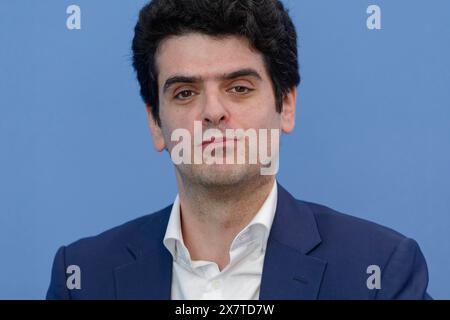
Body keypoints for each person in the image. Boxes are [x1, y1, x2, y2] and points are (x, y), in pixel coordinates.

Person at [47, 0, 431, 300]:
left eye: (239, 88)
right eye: (185, 93)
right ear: (155, 123)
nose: (213, 112)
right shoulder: (82, 276)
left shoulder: (377, 270)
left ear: (286, 105)